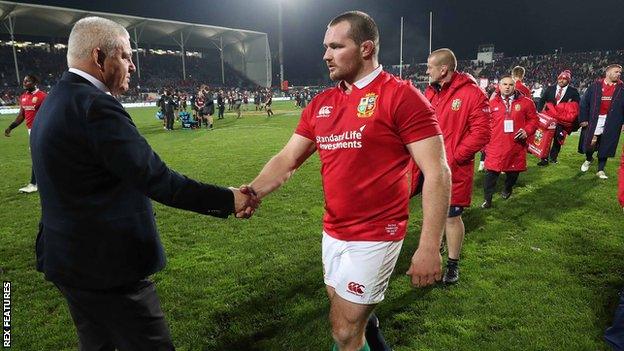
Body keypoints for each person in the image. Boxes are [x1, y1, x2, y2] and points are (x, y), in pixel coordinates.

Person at [29, 17, 259, 350]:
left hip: (66, 257)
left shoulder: (56, 99)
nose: (133, 65)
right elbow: (158, 179)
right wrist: (229, 199)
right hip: (107, 268)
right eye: (125, 56)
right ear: (99, 57)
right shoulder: (95, 106)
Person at [240, 11, 450, 351]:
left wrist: (429, 246)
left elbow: (438, 172)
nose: (325, 55)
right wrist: (252, 192)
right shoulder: (322, 103)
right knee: (354, 320)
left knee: (343, 330)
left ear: (366, 48)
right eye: (326, 47)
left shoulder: (402, 96)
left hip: (377, 233)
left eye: (336, 46)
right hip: (333, 231)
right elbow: (287, 158)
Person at [424, 48, 491, 284]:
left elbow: (482, 133)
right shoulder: (431, 92)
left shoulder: (472, 94)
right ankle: (436, 248)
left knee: (452, 216)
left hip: (454, 168)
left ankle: (453, 265)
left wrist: (454, 156)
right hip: (431, 169)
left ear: (443, 70)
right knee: (434, 213)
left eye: (430, 67)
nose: (427, 71)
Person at [481, 76, 538, 208]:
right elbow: (485, 124)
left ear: (515, 86)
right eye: (504, 84)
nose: (507, 87)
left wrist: (527, 131)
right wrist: (484, 142)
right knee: (491, 174)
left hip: (515, 145)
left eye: (510, 84)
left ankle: (507, 188)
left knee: (513, 173)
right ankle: (487, 199)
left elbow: (534, 120)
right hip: (495, 144)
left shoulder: (527, 102)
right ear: (499, 87)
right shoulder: (491, 103)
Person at [4, 74, 47, 193]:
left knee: (36, 155)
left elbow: (49, 114)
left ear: (34, 83)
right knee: (40, 155)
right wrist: (10, 127)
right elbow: (21, 116)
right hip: (30, 131)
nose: (24, 83)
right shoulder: (23, 97)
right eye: (24, 81)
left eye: (27, 81)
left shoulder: (42, 96)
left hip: (40, 129)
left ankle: (34, 184)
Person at [578, 64, 623, 179]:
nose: (619, 74)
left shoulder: (622, 87)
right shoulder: (596, 86)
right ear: (608, 72)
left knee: (606, 144)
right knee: (590, 143)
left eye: (620, 72)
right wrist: (583, 119)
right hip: (595, 119)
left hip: (612, 120)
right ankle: (589, 159)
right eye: (616, 71)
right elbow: (584, 102)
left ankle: (600, 170)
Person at [536, 70, 580, 165]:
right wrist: (539, 112)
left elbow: (577, 106)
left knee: (558, 139)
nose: (561, 80)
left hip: (562, 120)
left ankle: (553, 158)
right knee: (546, 138)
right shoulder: (550, 88)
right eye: (560, 78)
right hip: (549, 118)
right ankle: (544, 159)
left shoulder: (573, 91)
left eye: (564, 79)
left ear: (568, 80)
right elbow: (542, 100)